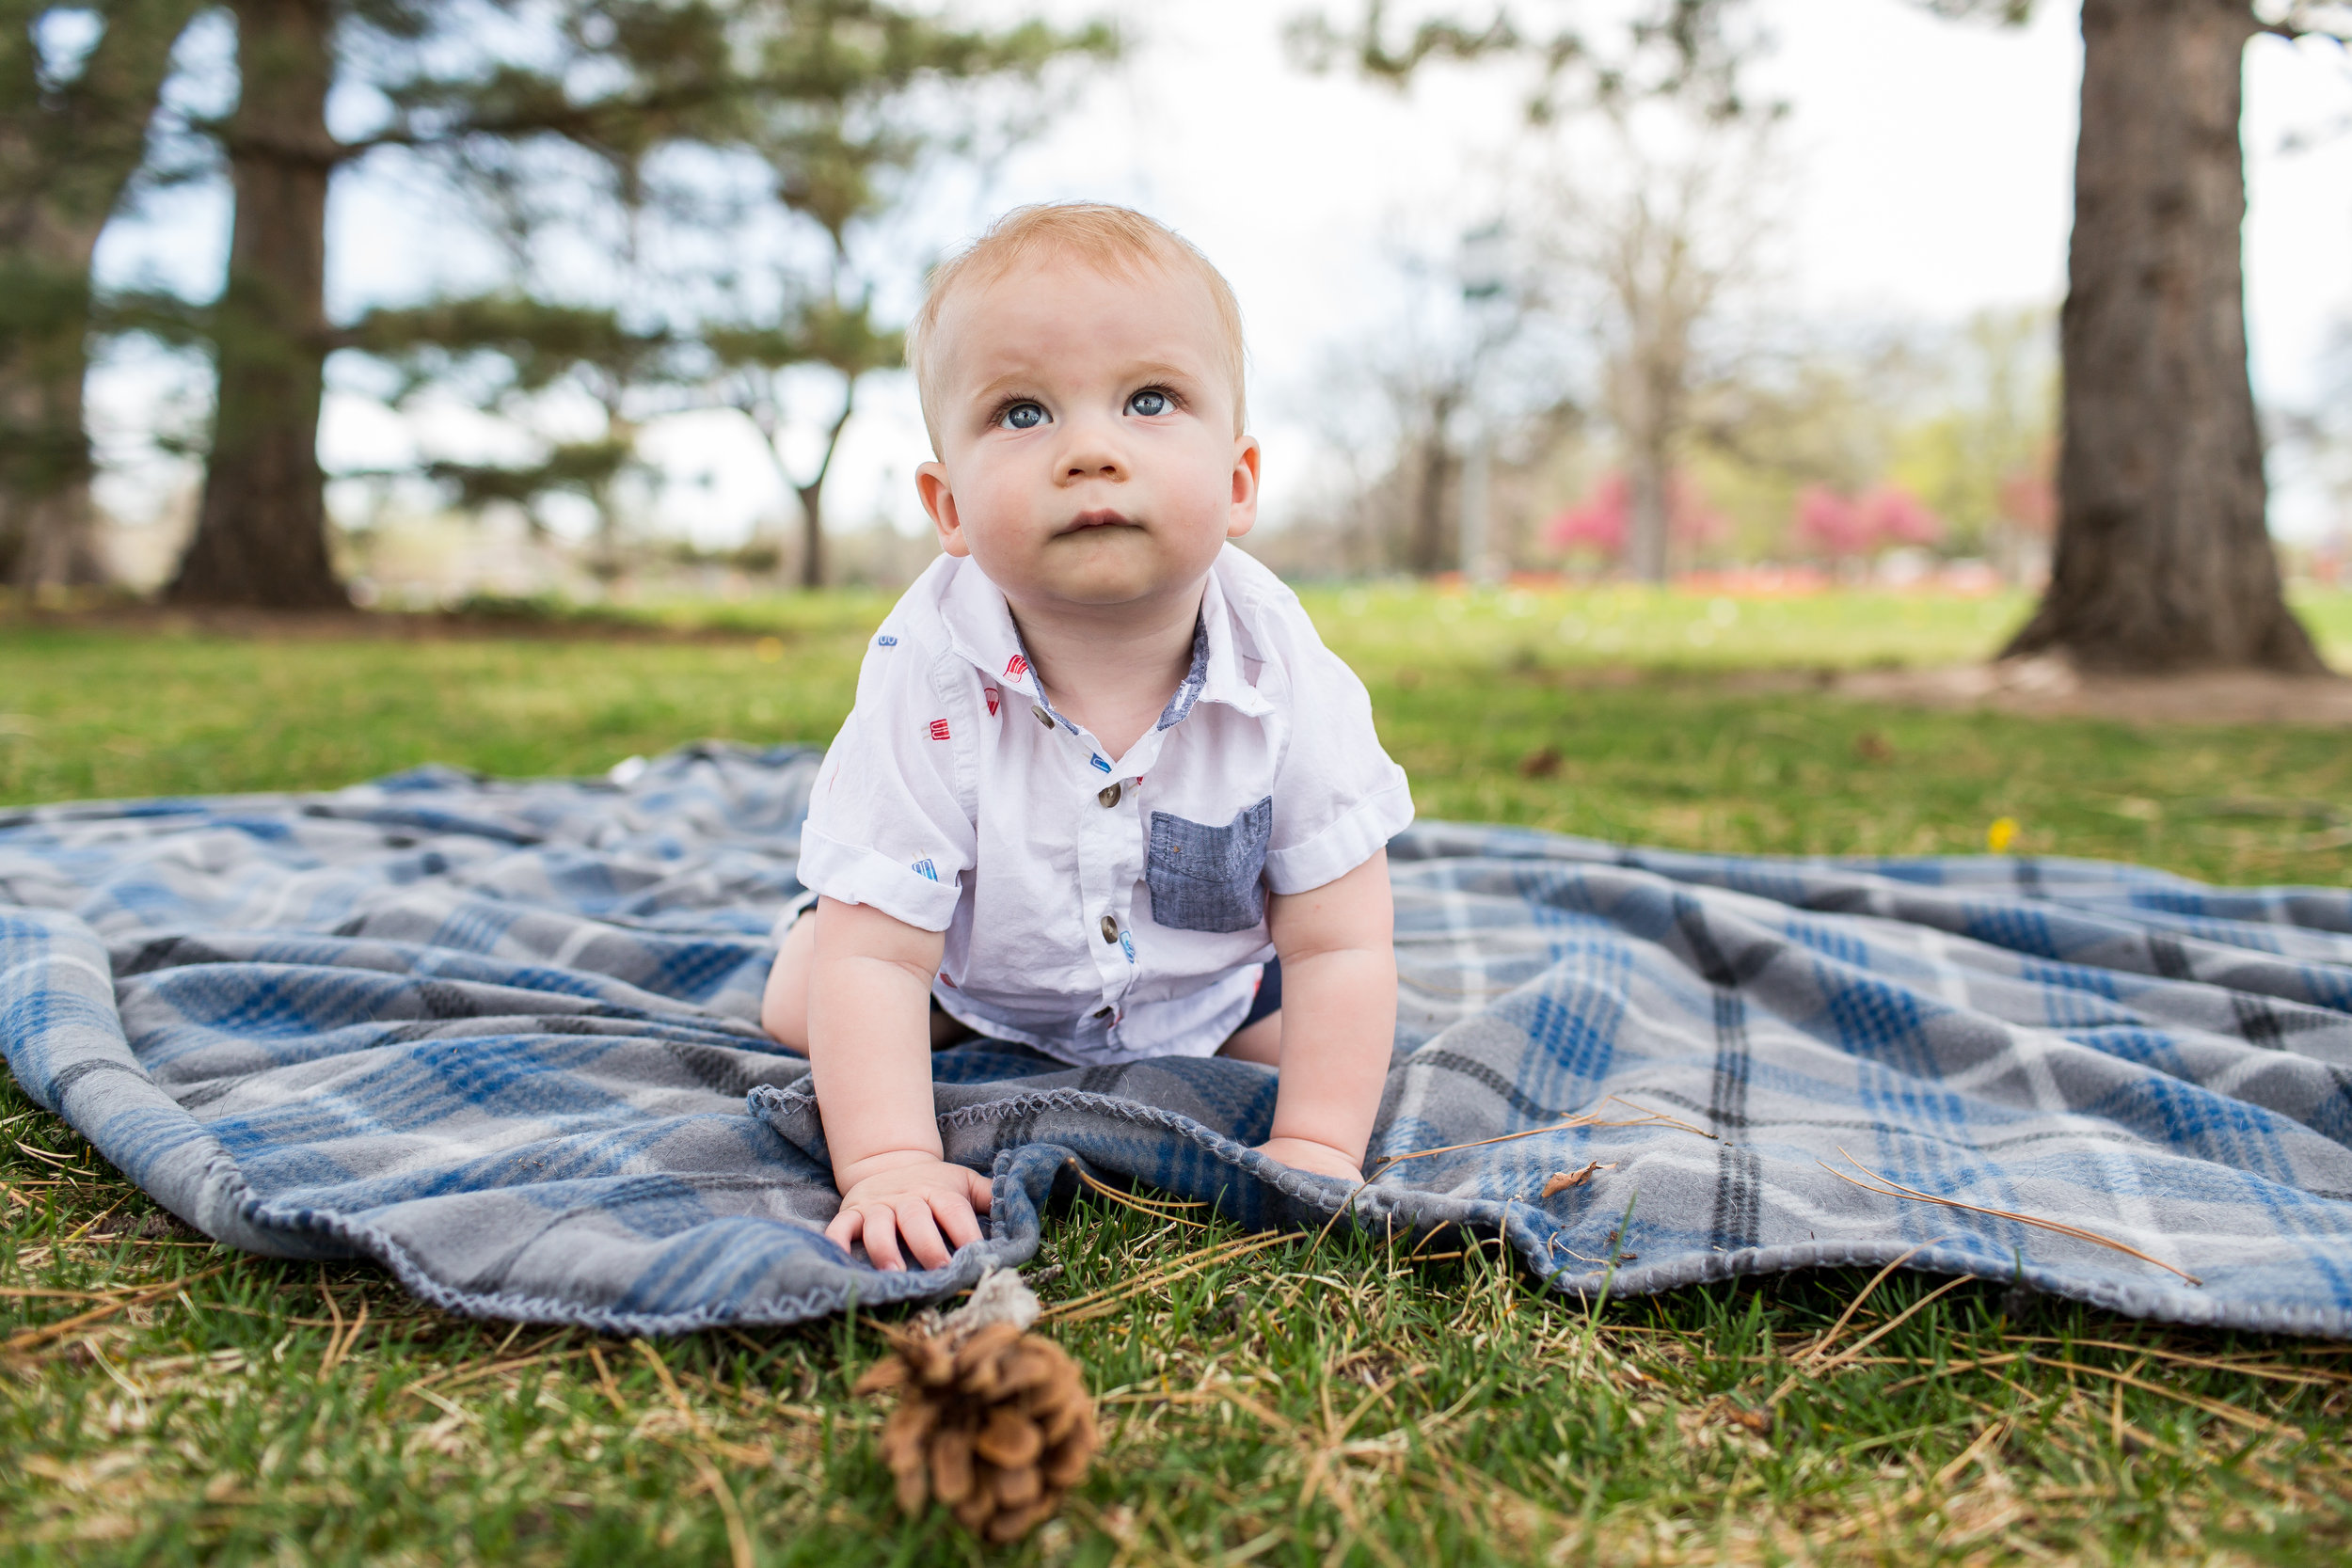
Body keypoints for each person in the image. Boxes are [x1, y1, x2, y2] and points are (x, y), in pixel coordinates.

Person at [760, 203, 1412, 1272]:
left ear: (1240, 480)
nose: (1091, 451)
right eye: (1023, 413)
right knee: (815, 1002)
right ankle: (809, 930)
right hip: (966, 979)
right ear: (949, 506)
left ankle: (1230, 1054)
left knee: (1331, 1045)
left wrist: (1314, 1147)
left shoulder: (1285, 671)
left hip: (1205, 988)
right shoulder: (925, 672)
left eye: (1148, 400)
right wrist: (886, 1158)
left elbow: (1340, 937)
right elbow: (880, 953)